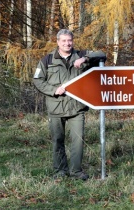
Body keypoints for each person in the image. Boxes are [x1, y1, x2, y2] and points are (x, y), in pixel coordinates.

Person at [33, 29, 106, 180]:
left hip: (76, 108)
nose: (67, 43)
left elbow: (102, 54)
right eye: (64, 41)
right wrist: (54, 90)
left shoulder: (80, 55)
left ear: (73, 41)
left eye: (69, 40)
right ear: (58, 42)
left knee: (78, 141)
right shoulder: (47, 60)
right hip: (56, 107)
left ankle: (76, 172)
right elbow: (38, 80)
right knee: (57, 141)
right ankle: (60, 171)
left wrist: (84, 59)